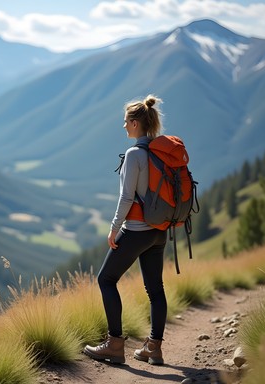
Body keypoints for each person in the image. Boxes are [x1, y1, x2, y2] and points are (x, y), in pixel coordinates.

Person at [83, 95, 168, 365]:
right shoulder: (159, 151)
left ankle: (114, 345)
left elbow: (126, 197)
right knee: (156, 289)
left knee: (105, 280)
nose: (123, 127)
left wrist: (113, 228)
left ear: (134, 123)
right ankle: (153, 348)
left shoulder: (135, 154)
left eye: (125, 122)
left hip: (137, 230)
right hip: (159, 231)